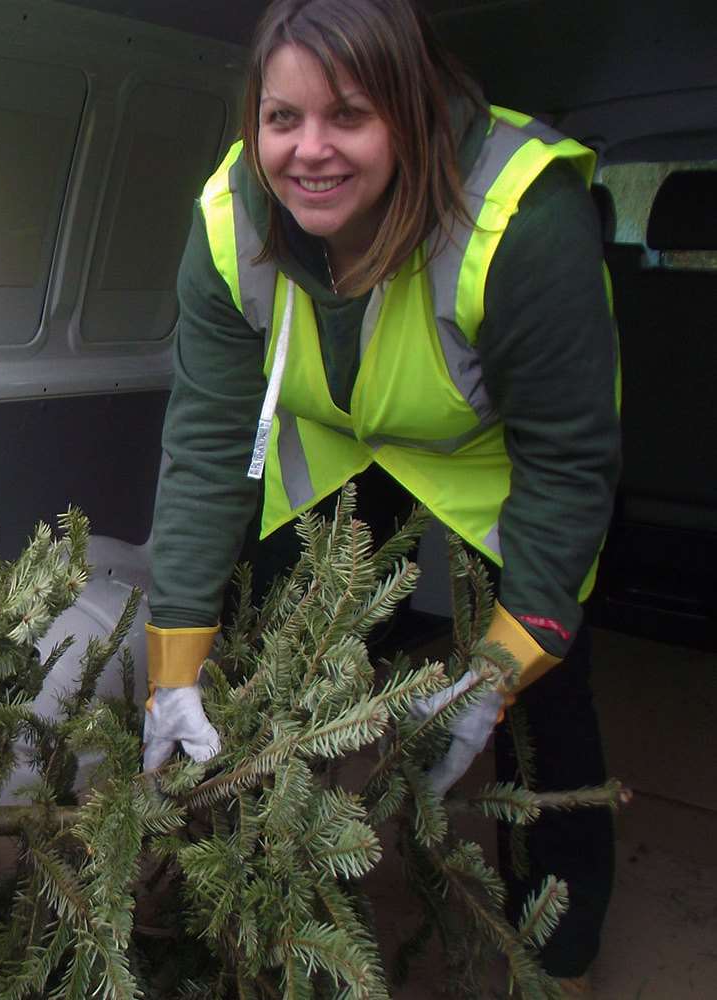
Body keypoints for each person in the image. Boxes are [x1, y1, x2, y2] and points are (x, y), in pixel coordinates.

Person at [139, 0, 618, 987]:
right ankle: (273, 894)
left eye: (347, 115)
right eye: (283, 119)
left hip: (486, 456)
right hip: (329, 440)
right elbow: (206, 435)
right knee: (273, 658)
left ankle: (553, 933)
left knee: (544, 697)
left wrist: (501, 663)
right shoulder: (232, 217)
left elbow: (570, 462)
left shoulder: (524, 219)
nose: (309, 151)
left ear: (409, 112)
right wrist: (174, 657)